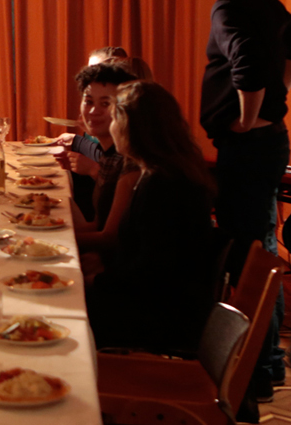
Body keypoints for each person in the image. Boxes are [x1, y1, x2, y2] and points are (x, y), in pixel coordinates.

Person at [194, 0, 291, 400]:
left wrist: (248, 118)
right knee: (263, 251)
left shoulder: (229, 6)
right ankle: (268, 363)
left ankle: (256, 371)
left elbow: (248, 65)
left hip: (249, 147)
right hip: (269, 142)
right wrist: (273, 99)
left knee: (248, 257)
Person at [86, 82, 216, 354]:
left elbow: (152, 270)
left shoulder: (161, 185)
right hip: (165, 302)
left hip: (163, 318)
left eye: (115, 119)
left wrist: (97, 281)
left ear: (131, 128)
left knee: (62, 310)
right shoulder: (169, 171)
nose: (112, 126)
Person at [63, 60, 140, 255]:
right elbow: (98, 224)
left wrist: (55, 240)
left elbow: (111, 238)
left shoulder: (129, 159)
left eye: (105, 104)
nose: (93, 111)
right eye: (88, 101)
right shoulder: (108, 155)